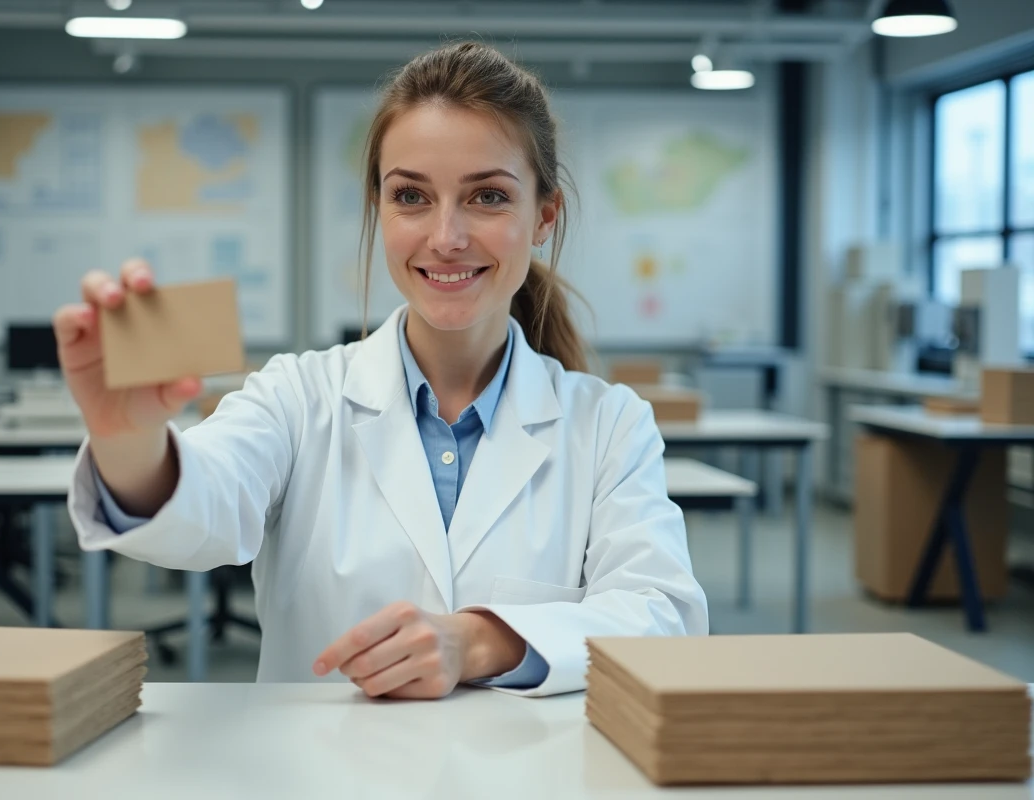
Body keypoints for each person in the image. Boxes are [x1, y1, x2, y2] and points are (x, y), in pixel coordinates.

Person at [56, 42, 707, 699]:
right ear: (379, 208)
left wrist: (478, 641)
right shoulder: (298, 397)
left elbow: (663, 616)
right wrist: (128, 438)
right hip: (319, 761)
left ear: (543, 216)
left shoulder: (609, 426)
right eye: (411, 196)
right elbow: (206, 510)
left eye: (487, 196)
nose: (446, 237)